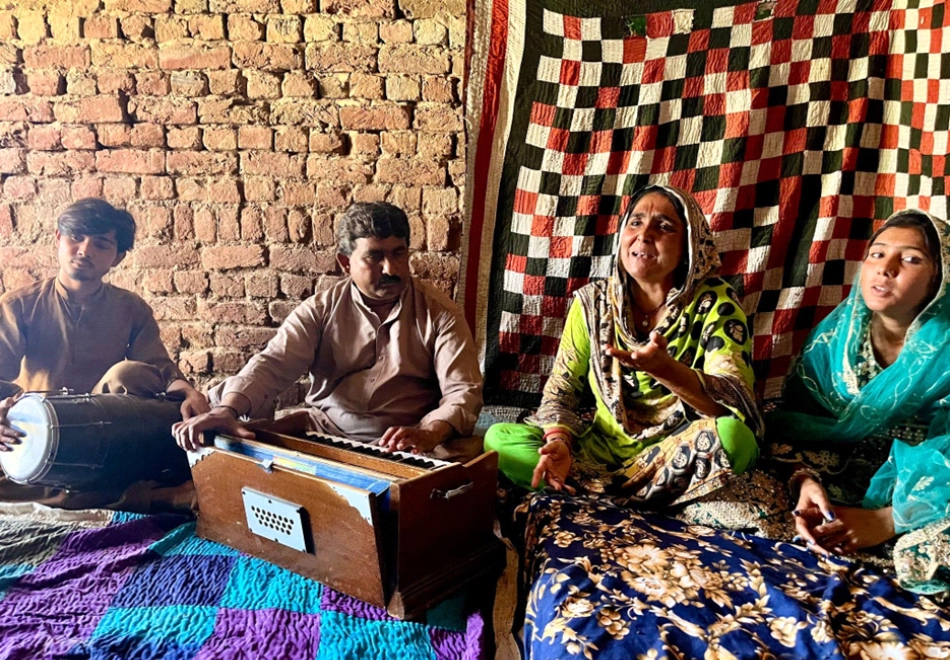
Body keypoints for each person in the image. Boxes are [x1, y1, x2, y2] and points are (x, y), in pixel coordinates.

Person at [484, 185, 761, 504]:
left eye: (664, 226)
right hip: (602, 455)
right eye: (635, 222)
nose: (644, 235)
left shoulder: (716, 304)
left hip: (679, 451)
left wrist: (666, 371)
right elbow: (563, 389)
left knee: (735, 439)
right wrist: (559, 441)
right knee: (498, 439)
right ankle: (635, 493)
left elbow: (734, 405)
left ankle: (590, 492)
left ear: (689, 246)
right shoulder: (593, 304)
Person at [173, 202, 483, 461]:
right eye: (375, 256)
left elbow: (462, 392)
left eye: (398, 253)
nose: (391, 268)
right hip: (323, 434)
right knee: (232, 447)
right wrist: (228, 410)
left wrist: (430, 433)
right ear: (346, 263)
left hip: (407, 445)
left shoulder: (441, 313)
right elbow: (273, 365)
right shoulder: (320, 310)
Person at [768, 210, 950, 596]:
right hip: (852, 472)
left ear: (940, 278)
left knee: (925, 551)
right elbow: (800, 423)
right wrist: (806, 483)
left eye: (911, 259)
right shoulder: (837, 339)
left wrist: (888, 520)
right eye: (877, 254)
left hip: (937, 488)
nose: (887, 269)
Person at [0, 198, 208, 506]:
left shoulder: (131, 308)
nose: (84, 251)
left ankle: (95, 493)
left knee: (129, 374)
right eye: (75, 238)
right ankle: (145, 496)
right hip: (38, 432)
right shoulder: (18, 305)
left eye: (101, 244)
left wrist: (190, 393)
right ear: (58, 238)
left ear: (118, 257)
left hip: (107, 432)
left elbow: (160, 370)